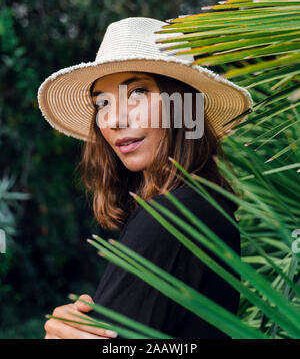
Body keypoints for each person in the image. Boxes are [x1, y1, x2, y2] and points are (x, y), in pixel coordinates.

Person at [38, 17, 253, 339]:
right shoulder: (205, 207)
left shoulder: (174, 216)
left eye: (137, 91)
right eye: (102, 103)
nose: (113, 119)